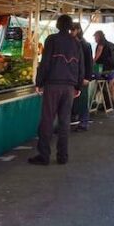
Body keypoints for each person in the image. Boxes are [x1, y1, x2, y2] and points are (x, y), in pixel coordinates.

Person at [31, 15, 84, 166]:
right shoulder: (76, 43)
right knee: (64, 122)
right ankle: (62, 156)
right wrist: (78, 86)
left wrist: (39, 82)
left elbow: (45, 62)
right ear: (70, 26)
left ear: (57, 24)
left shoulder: (52, 39)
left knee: (47, 120)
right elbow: (81, 66)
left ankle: (44, 155)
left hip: (53, 85)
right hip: (69, 87)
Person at [70, 22, 94, 132]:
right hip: (73, 77)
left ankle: (84, 122)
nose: (71, 32)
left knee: (82, 100)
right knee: (75, 100)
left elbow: (89, 62)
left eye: (73, 30)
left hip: (82, 77)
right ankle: (75, 119)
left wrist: (87, 78)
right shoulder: (72, 43)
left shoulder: (85, 44)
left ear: (78, 30)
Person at [93, 30, 114, 108]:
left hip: (103, 68)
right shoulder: (111, 44)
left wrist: (93, 62)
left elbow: (98, 54)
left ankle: (107, 103)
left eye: (95, 37)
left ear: (98, 36)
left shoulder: (101, 44)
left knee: (98, 83)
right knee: (109, 86)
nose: (95, 39)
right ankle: (112, 103)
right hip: (113, 69)